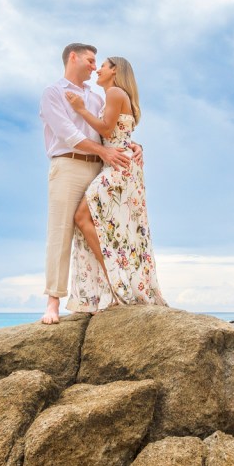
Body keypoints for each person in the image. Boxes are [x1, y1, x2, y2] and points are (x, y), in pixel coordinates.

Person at [39, 44, 133, 324]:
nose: (94, 66)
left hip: (100, 168)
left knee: (98, 230)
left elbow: (109, 130)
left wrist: (132, 146)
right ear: (73, 58)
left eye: (96, 63)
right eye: (91, 61)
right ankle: (53, 302)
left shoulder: (95, 98)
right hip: (68, 164)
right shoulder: (52, 93)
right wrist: (104, 151)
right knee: (60, 231)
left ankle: (104, 293)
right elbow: (66, 133)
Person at [62, 56, 165, 313]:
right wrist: (136, 145)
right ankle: (115, 285)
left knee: (83, 217)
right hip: (119, 164)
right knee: (109, 226)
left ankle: (115, 284)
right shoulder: (115, 94)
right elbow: (119, 134)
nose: (98, 69)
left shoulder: (116, 92)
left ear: (115, 70)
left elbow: (108, 131)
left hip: (118, 167)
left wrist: (80, 109)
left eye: (104, 66)